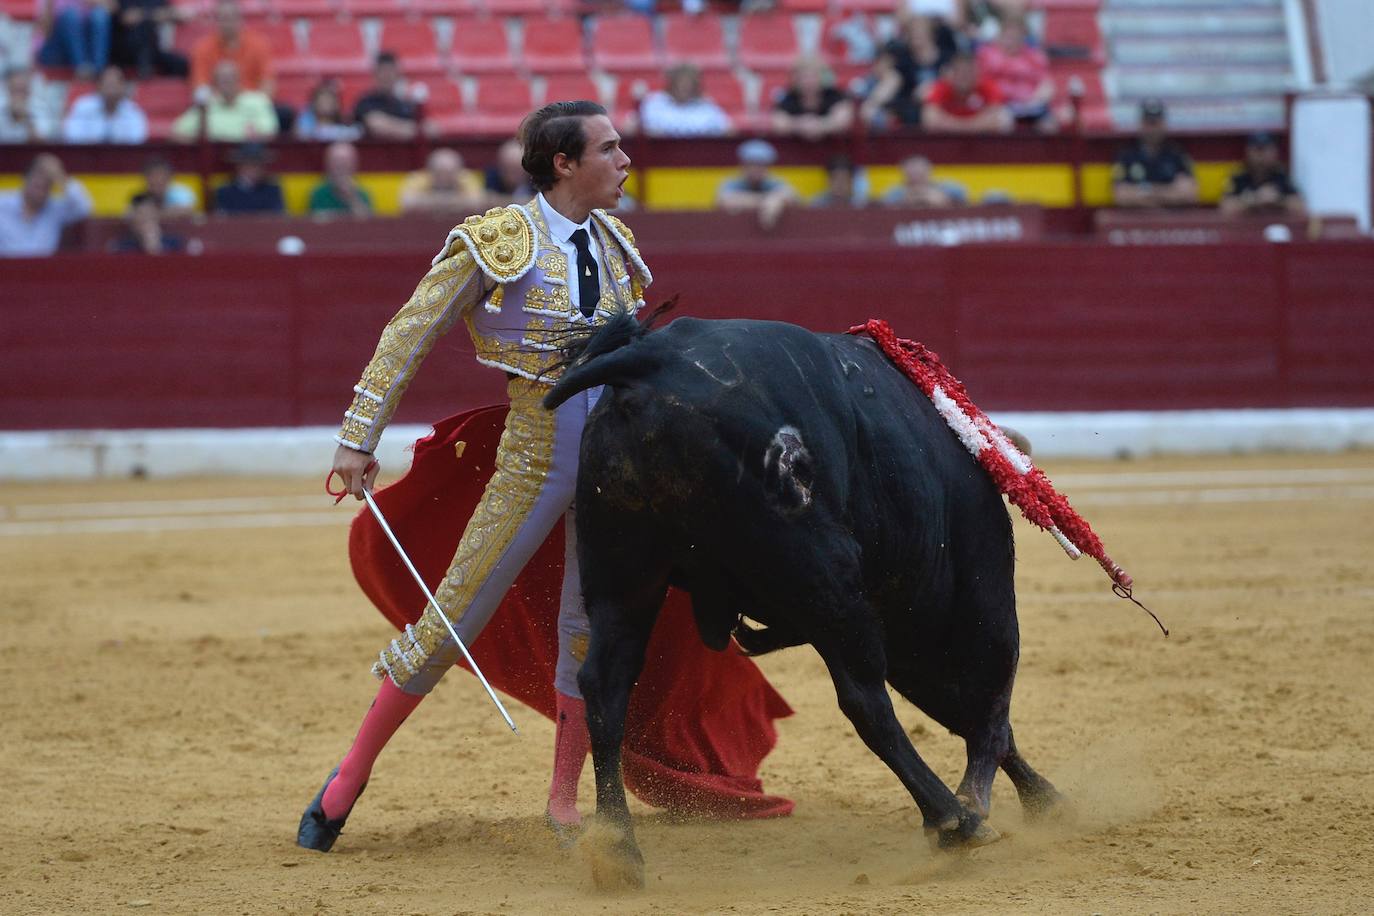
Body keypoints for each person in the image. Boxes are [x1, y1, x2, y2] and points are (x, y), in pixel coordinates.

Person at [297, 100, 652, 851]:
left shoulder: (618, 242)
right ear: (565, 163)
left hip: (615, 465)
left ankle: (563, 800)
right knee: (452, 614)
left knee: (587, 630)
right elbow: (409, 332)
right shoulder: (498, 240)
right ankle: (349, 776)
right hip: (535, 458)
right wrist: (357, 438)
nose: (625, 160)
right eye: (610, 148)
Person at [0, 154, 92, 258]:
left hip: (43, 271)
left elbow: (83, 207)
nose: (42, 181)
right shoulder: (2, 203)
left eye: (47, 180)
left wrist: (58, 175)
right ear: (25, 177)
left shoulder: (55, 210)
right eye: (38, 175)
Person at [1111, 99, 1198, 208]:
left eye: (1156, 123)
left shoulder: (1176, 154)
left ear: (1164, 124)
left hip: (1170, 220)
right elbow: (1121, 196)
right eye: (1149, 123)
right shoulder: (1127, 155)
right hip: (1137, 220)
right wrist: (1169, 192)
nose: (1152, 129)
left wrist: (1145, 192)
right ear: (1140, 124)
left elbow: (1189, 194)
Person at [975, 13, 1054, 131]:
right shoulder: (986, 54)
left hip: (1029, 106)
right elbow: (977, 82)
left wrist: (1034, 101)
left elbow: (1046, 85)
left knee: (1050, 125)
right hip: (997, 106)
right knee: (1003, 120)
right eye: (1008, 36)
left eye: (1016, 37)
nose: (1011, 41)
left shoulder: (1034, 56)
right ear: (1000, 36)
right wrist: (994, 101)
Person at [171, 59, 277, 141]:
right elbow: (176, 133)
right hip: (212, 159)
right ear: (215, 84)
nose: (227, 83)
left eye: (231, 78)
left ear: (239, 80)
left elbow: (270, 133)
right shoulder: (206, 104)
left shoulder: (258, 101)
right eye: (222, 80)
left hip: (246, 159)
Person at [190, 0, 275, 96]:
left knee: (284, 111)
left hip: (252, 104)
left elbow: (267, 84)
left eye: (232, 18)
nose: (228, 24)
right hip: (217, 105)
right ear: (216, 21)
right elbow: (200, 87)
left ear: (241, 19)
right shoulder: (202, 48)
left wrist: (251, 104)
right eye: (223, 19)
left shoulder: (259, 45)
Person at [715, 138, 799, 229]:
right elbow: (724, 201)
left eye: (761, 165)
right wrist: (768, 201)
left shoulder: (773, 182)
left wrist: (777, 199)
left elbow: (792, 196)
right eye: (752, 164)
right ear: (743, 165)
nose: (756, 169)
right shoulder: (732, 182)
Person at [921, 51, 1012, 134]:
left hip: (981, 140)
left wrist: (961, 128)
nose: (964, 77)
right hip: (949, 141)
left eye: (969, 72)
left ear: (976, 73)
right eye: (960, 72)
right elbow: (929, 119)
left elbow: (997, 118)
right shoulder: (942, 87)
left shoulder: (988, 86)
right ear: (952, 73)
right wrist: (966, 128)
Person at [770, 55, 854, 141]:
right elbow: (779, 123)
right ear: (796, 79)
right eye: (804, 78)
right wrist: (801, 125)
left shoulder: (834, 95)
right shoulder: (790, 97)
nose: (809, 82)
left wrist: (819, 125)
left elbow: (843, 120)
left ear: (823, 78)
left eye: (813, 77)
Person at [1219, 132, 1304, 217]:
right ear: (1248, 151)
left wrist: (1278, 199)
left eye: (1266, 150)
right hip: (1245, 226)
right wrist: (1255, 198)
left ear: (1275, 152)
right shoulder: (1239, 176)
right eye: (1257, 150)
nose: (1261, 156)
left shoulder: (1281, 175)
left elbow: (1300, 206)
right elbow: (1226, 207)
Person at [638, 62, 732, 137]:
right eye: (680, 82)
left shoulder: (707, 106)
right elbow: (633, 127)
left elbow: (728, 130)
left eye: (689, 82)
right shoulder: (654, 103)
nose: (684, 87)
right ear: (672, 83)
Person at [61, 65, 148, 143]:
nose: (111, 90)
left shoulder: (133, 111)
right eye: (108, 85)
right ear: (98, 86)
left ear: (123, 87)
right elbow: (72, 138)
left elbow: (137, 142)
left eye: (114, 85)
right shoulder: (82, 107)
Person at [34, 0, 112, 80]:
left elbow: (111, 7)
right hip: (57, 46)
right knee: (70, 16)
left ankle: (98, 70)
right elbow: (45, 30)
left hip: (89, 47)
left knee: (99, 15)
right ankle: (82, 68)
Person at [399, 148, 487, 217]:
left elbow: (476, 203)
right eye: (439, 173)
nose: (444, 178)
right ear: (430, 171)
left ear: (458, 172)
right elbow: (407, 203)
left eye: (449, 173)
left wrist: (431, 202)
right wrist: (454, 203)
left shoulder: (466, 178)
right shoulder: (418, 179)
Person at [353, 51, 420, 141]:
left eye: (391, 71)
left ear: (398, 75)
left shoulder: (404, 105)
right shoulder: (365, 101)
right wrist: (407, 128)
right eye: (383, 71)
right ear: (375, 74)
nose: (387, 76)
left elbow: (418, 128)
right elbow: (376, 125)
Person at [111, 0, 189, 77]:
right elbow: (127, 18)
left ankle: (146, 66)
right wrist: (153, 15)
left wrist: (143, 14)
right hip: (126, 49)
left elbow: (171, 13)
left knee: (183, 64)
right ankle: (145, 67)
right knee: (143, 28)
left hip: (151, 49)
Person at [214, 141, 285, 214]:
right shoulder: (225, 192)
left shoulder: (272, 191)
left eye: (258, 164)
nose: (255, 169)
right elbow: (220, 220)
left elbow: (279, 218)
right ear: (239, 166)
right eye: (250, 164)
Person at [308, 141, 373, 216]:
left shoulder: (361, 193)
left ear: (354, 165)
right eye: (336, 162)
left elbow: (367, 221)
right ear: (328, 164)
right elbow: (314, 221)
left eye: (345, 162)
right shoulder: (318, 194)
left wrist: (352, 197)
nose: (340, 167)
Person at [109, 192, 185, 254]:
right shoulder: (120, 247)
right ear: (132, 217)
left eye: (149, 213)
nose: (146, 219)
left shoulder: (175, 244)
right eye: (141, 214)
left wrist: (155, 248)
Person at [881, 153, 966, 207]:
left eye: (919, 172)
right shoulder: (894, 193)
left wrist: (944, 200)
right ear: (904, 173)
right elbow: (887, 210)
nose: (916, 175)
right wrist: (908, 201)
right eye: (912, 172)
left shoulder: (949, 188)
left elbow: (964, 203)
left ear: (929, 170)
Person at [0, 67, 58, 142]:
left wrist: (25, 118)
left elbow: (43, 141)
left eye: (21, 90)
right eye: (15, 89)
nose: (18, 95)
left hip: (31, 152)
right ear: (8, 88)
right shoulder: (1, 106)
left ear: (28, 89)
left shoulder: (40, 107)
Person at [294, 80, 361, 142]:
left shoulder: (347, 125)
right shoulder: (303, 126)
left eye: (331, 99)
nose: (327, 103)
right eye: (323, 99)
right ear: (313, 103)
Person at [483, 137, 534, 206]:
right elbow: (482, 200)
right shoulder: (491, 178)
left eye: (516, 170)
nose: (512, 176)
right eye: (507, 169)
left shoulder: (537, 181)